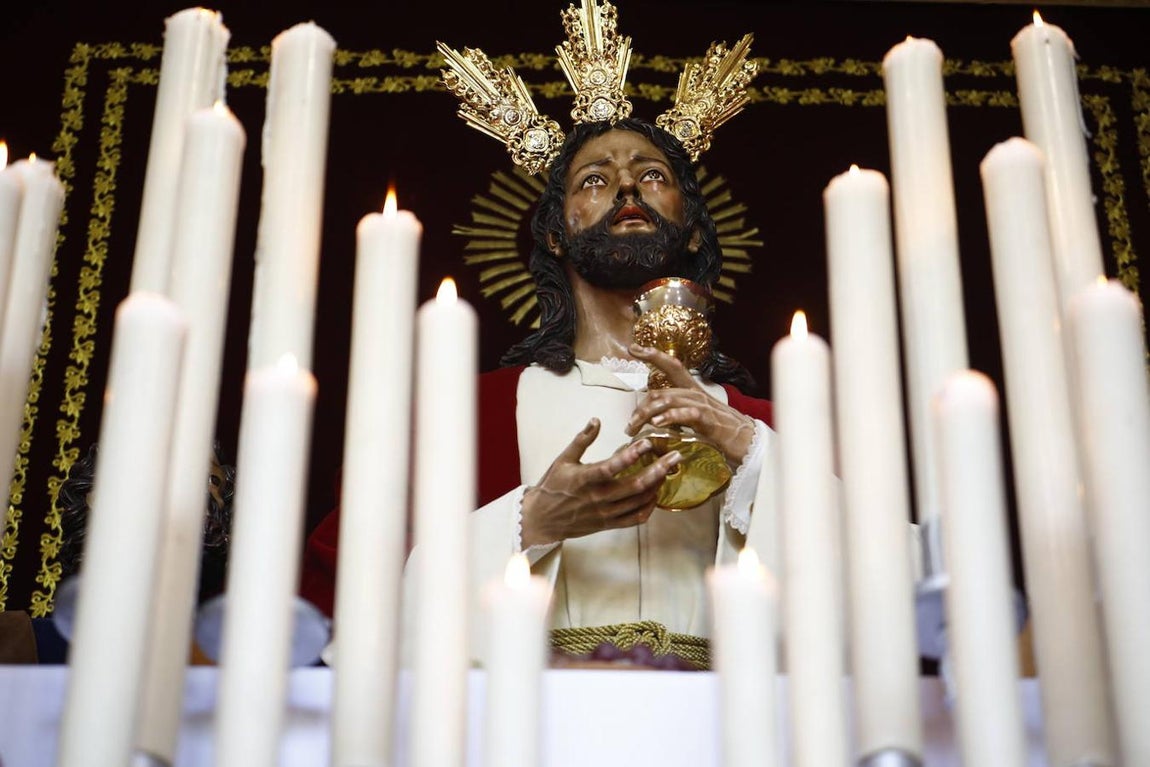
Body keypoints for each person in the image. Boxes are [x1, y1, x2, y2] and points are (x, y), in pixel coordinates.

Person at [300, 116, 777, 668]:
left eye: (651, 175)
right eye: (594, 180)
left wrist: (755, 453)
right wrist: (530, 523)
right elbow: (355, 595)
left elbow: (879, 578)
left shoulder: (756, 423)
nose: (626, 187)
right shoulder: (466, 417)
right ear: (555, 235)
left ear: (692, 228)